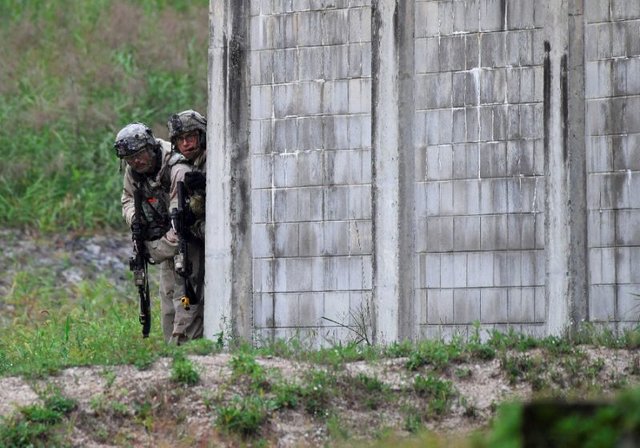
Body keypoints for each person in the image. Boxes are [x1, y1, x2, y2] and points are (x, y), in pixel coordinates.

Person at [114, 122, 194, 343]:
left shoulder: (176, 167)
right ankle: (172, 354)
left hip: (186, 243)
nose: (136, 161)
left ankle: (186, 350)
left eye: (139, 155)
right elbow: (127, 198)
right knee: (167, 298)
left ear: (150, 147)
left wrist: (155, 250)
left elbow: (181, 223)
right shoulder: (134, 171)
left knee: (185, 299)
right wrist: (135, 219)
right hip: (162, 239)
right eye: (130, 159)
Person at [166, 109, 208, 344]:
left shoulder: (215, 159)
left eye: (191, 137)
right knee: (183, 295)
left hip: (208, 241)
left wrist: (206, 185)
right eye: (180, 139)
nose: (186, 143)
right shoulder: (179, 167)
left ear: (201, 136)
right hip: (191, 240)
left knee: (191, 296)